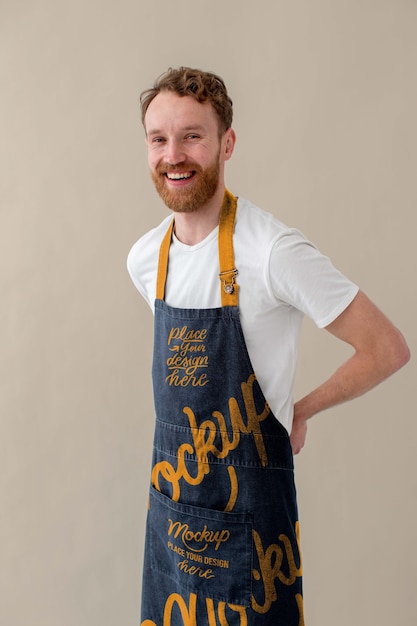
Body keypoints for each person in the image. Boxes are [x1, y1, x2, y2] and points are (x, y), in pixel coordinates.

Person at [127, 67, 410, 626]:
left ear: (226, 143)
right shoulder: (145, 261)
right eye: (159, 139)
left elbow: (386, 347)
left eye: (192, 136)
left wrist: (298, 411)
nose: (174, 155)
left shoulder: (272, 251)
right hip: (172, 526)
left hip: (251, 539)